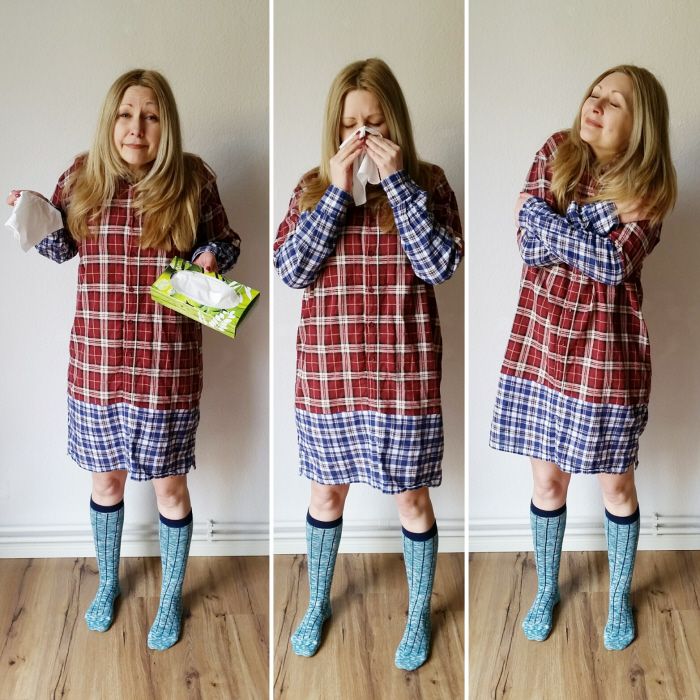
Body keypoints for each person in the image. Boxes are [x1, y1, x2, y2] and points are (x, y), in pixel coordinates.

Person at [6, 69, 241, 650]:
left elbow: (227, 242)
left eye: (152, 115)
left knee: (168, 488)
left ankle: (170, 598)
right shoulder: (83, 176)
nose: (137, 127)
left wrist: (211, 255)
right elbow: (63, 247)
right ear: (111, 119)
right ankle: (108, 581)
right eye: (127, 114)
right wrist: (32, 213)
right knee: (106, 479)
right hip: (98, 362)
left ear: (167, 124)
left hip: (167, 364)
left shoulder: (192, 179)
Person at [274, 58, 462, 670]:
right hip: (329, 379)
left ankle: (418, 612)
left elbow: (439, 264)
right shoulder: (310, 186)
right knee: (326, 494)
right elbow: (292, 270)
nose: (361, 136)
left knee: (411, 500)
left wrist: (398, 183)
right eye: (350, 124)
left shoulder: (429, 182)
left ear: (395, 125)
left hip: (402, 379)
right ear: (335, 129)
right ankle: (317, 601)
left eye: (374, 122)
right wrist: (335, 192)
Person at [490, 65, 676, 650]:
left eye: (613, 102)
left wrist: (559, 222)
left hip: (606, 355)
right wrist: (601, 216)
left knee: (615, 485)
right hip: (541, 344)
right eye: (594, 94)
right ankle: (548, 587)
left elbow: (613, 265)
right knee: (548, 481)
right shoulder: (556, 151)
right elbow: (526, 235)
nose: (595, 105)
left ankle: (618, 594)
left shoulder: (651, 188)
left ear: (639, 124)